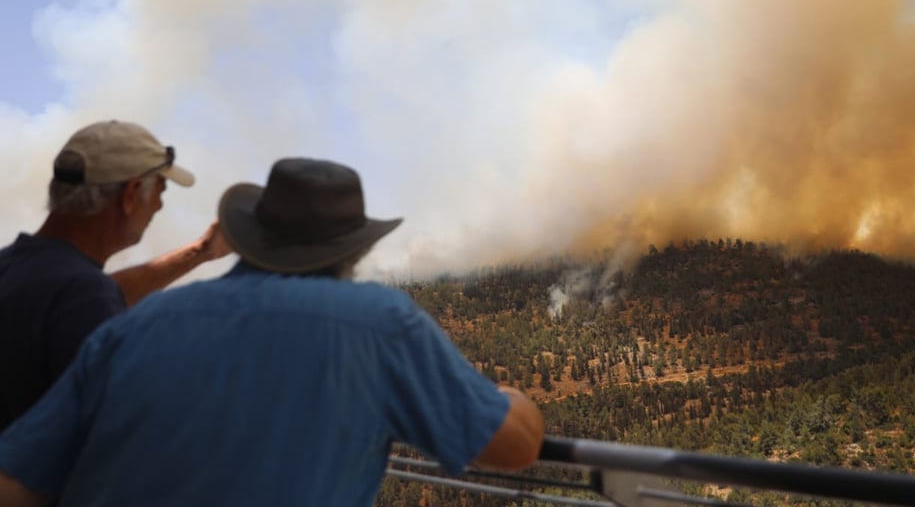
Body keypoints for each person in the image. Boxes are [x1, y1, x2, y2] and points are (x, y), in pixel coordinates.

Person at [0, 157, 545, 507]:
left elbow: (16, 482)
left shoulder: (134, 325)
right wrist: (506, 396)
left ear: (249, 237)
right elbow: (514, 447)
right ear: (354, 251)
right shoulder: (380, 324)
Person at [0, 120, 231, 432]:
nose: (159, 206)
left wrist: (201, 251)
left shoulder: (20, 268)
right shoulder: (82, 295)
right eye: (160, 191)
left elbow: (101, 293)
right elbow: (115, 436)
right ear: (131, 193)